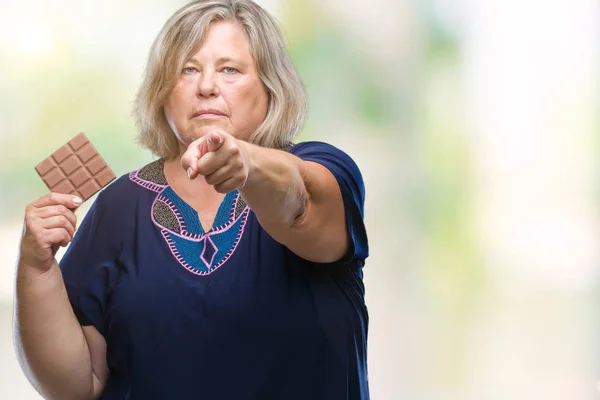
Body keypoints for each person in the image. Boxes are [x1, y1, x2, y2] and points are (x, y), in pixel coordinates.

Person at [14, 0, 369, 399]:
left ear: (272, 87)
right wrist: (36, 266)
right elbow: (76, 387)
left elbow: (300, 205)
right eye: (188, 69)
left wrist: (246, 163)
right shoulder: (118, 206)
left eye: (230, 69)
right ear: (163, 91)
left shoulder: (325, 168)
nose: (206, 86)